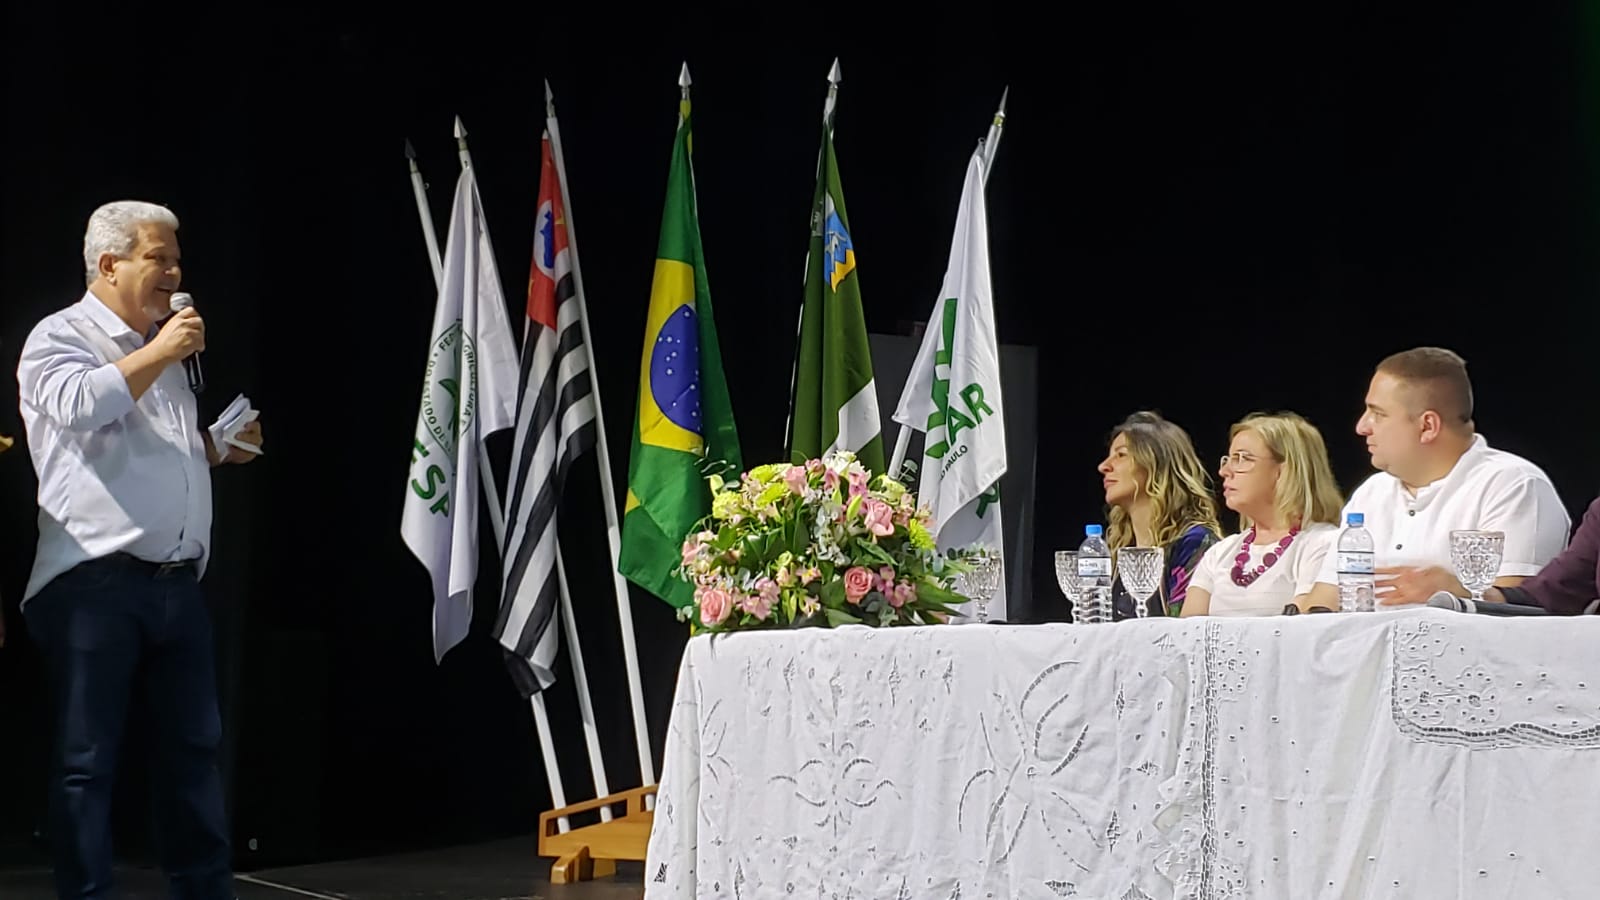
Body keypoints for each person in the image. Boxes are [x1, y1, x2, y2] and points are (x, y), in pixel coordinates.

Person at [16, 200, 263, 899]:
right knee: (87, 763)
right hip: (93, 581)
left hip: (176, 583)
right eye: (160, 257)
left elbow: (142, 450)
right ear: (109, 263)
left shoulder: (167, 350)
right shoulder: (58, 337)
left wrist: (216, 447)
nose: (176, 272)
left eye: (176, 258)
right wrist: (160, 351)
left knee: (192, 756)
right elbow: (79, 408)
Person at [1302, 347, 1568, 610]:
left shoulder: (1512, 486)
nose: (1362, 427)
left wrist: (1456, 594)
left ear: (1427, 426)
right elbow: (1322, 604)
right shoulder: (1371, 493)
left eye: (1379, 414)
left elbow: (1518, 612)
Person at [1182, 413, 1345, 617]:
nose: (1224, 471)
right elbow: (1188, 636)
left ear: (1284, 471)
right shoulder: (1219, 554)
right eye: (1229, 459)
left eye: (1242, 458)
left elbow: (1302, 629)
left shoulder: (1321, 544)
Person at [1096, 411, 1222, 618]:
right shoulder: (1119, 551)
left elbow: (1187, 637)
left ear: (1156, 464)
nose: (1104, 466)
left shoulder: (1195, 544)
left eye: (1121, 455)